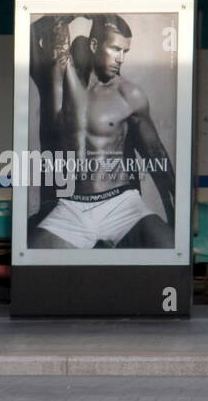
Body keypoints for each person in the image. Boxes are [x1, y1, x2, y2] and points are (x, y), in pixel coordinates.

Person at [28, 14, 174, 248]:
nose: (121, 58)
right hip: (70, 206)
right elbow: (29, 38)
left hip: (122, 204)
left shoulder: (128, 94)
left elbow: (155, 153)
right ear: (95, 46)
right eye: (116, 49)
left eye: (125, 51)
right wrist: (67, 15)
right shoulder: (55, 81)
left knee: (169, 248)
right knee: (35, 261)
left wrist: (175, 213)